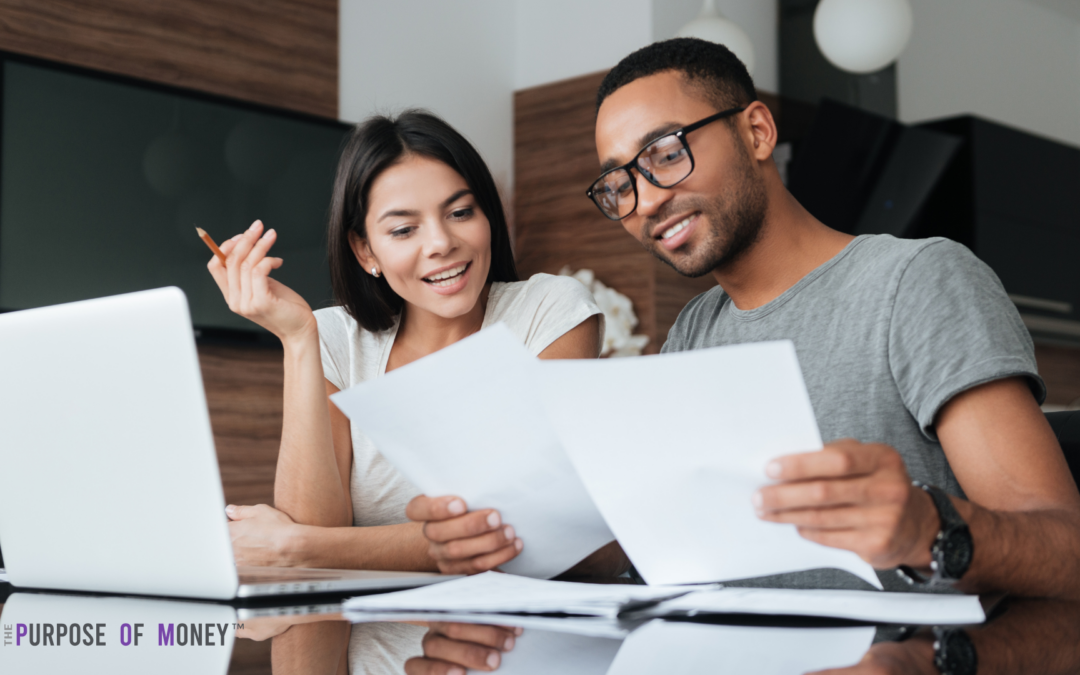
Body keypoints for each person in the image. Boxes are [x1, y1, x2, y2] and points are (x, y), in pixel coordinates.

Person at [411, 38, 1080, 600]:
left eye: (666, 153)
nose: (644, 201)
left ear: (757, 131)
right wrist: (500, 538)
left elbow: (1065, 548)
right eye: (620, 184)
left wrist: (926, 526)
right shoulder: (694, 331)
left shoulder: (916, 281)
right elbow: (658, 542)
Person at [206, 110, 620, 672]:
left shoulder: (550, 313)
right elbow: (311, 551)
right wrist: (298, 339)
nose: (442, 243)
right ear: (365, 251)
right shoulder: (334, 338)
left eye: (460, 212)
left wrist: (294, 547)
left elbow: (523, 533)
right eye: (404, 229)